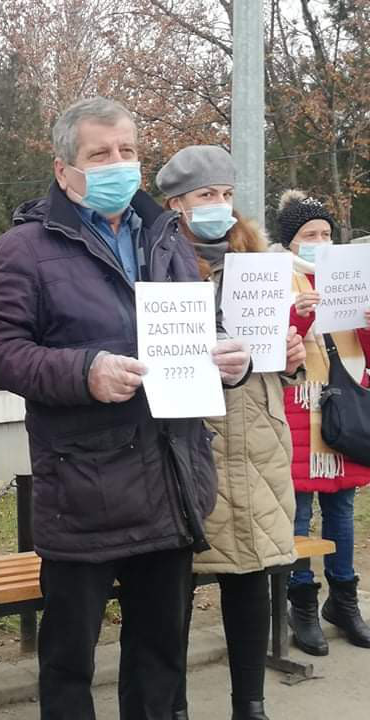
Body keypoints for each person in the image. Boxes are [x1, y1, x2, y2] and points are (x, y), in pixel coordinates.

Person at [0, 97, 250, 720]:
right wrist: (83, 371)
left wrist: (233, 361)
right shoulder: (24, 249)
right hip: (84, 488)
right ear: (64, 169)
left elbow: (204, 332)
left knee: (160, 660)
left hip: (172, 480)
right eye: (100, 154)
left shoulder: (167, 240)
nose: (118, 163)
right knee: (70, 664)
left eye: (127, 150)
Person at [157, 146, 305, 720]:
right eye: (204, 196)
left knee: (249, 576)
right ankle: (174, 706)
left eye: (225, 194)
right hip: (197, 437)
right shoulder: (159, 262)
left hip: (259, 437)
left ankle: (251, 703)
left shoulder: (261, 264)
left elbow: (296, 353)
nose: (219, 206)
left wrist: (292, 352)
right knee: (177, 586)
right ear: (177, 205)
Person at [274, 189, 370, 655]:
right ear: (289, 242)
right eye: (308, 234)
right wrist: (300, 313)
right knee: (299, 508)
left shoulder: (349, 277)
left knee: (343, 509)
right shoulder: (277, 279)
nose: (318, 241)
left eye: (326, 233)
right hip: (298, 404)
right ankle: (302, 603)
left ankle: (344, 600)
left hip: (344, 405)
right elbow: (267, 345)